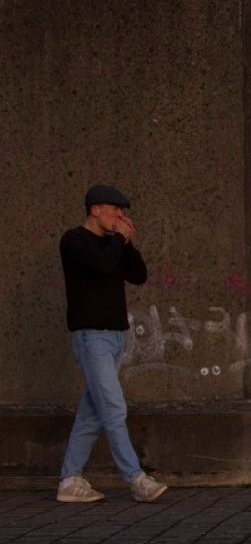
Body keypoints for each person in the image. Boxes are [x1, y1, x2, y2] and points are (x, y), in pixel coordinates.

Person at [57, 184, 168, 504]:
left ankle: (70, 481)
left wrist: (126, 242)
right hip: (91, 336)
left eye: (123, 211)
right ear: (95, 210)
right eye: (115, 209)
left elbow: (139, 275)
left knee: (94, 411)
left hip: (117, 335)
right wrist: (118, 240)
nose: (121, 216)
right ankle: (136, 479)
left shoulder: (113, 244)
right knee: (114, 407)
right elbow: (101, 265)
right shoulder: (74, 241)